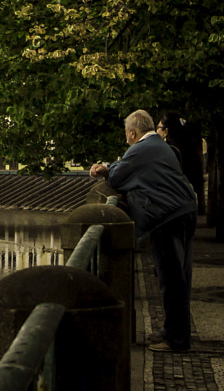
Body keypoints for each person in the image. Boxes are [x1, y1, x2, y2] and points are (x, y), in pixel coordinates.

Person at [90, 109, 199, 352]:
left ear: (132, 132)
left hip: (168, 217)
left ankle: (177, 341)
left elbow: (117, 177)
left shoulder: (141, 148)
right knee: (180, 277)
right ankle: (172, 330)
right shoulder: (158, 145)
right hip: (183, 212)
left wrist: (105, 169)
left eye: (126, 133)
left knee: (171, 280)